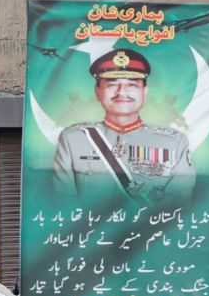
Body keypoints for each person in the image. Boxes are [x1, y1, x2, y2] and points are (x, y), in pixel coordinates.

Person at [53, 48, 195, 204]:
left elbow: (179, 206)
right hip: (90, 226)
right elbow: (63, 203)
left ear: (144, 92)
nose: (122, 92)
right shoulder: (72, 139)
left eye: (132, 84)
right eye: (112, 84)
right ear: (97, 92)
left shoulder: (175, 142)